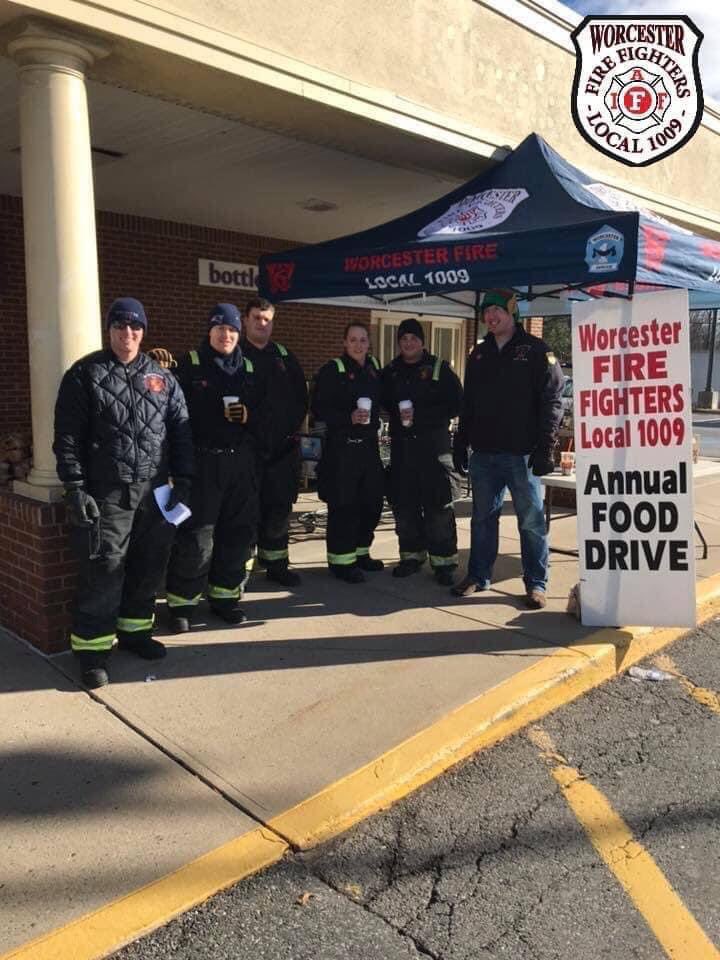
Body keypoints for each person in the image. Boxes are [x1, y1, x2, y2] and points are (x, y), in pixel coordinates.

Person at [53, 297, 193, 689]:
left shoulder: (161, 377)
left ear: (143, 332)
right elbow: (67, 438)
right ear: (109, 329)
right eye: (120, 326)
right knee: (105, 571)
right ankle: (93, 651)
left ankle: (135, 633)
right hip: (108, 494)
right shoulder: (85, 374)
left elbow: (181, 431)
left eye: (135, 327)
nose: (127, 334)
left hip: (155, 492)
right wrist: (75, 487)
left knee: (149, 566)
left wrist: (184, 481)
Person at [452, 289, 563, 608]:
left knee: (531, 521)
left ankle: (536, 583)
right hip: (484, 454)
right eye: (486, 311)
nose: (490, 316)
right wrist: (461, 440)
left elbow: (552, 401)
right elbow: (468, 403)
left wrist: (546, 447)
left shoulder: (536, 350)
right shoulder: (478, 353)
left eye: (497, 310)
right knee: (482, 518)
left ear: (512, 312)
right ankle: (477, 575)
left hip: (523, 455)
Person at [165, 303, 269, 632]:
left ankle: (225, 599)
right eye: (220, 328)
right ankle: (182, 603)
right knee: (198, 538)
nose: (226, 335)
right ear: (209, 330)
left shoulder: (250, 369)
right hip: (203, 461)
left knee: (237, 534)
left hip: (241, 461)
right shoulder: (190, 365)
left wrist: (250, 417)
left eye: (232, 330)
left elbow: (268, 416)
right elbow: (172, 421)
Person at [380, 318, 464, 586]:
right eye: (403, 338)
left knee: (438, 506)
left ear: (422, 342)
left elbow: (457, 404)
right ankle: (411, 557)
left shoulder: (439, 368)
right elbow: (380, 401)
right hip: (403, 449)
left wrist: (423, 415)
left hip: (434, 448)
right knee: (405, 505)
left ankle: (444, 563)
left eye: (413, 338)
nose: (408, 343)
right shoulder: (391, 371)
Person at [241, 297, 308, 587]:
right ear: (245, 320)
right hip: (246, 452)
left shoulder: (284, 356)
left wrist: (287, 432)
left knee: (279, 511)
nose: (262, 323)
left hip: (282, 451)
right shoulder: (234, 354)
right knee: (243, 513)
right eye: (257, 318)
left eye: (267, 319)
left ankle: (277, 564)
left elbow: (301, 400)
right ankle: (239, 571)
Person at [311, 323, 385, 583]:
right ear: (344, 342)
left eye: (363, 340)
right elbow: (319, 409)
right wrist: (348, 417)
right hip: (342, 448)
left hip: (368, 447)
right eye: (353, 340)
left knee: (372, 503)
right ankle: (341, 562)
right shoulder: (333, 370)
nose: (358, 345)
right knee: (344, 506)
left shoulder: (374, 368)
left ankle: (361, 552)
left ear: (369, 343)